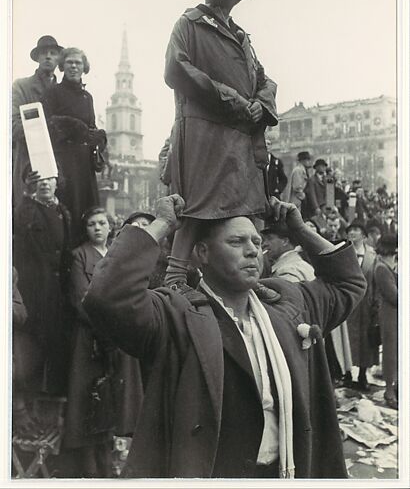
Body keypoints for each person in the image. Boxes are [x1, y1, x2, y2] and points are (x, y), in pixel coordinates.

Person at [83, 194, 366, 479]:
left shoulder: (287, 300)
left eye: (256, 242)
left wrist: (300, 231)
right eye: (236, 242)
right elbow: (107, 297)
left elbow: (348, 283)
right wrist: (163, 224)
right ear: (202, 253)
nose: (252, 251)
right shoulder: (177, 313)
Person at [163, 0, 278, 288]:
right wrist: (233, 100)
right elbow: (177, 70)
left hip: (238, 141)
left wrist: (262, 102)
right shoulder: (190, 24)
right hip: (203, 136)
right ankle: (175, 277)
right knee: (197, 209)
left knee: (240, 211)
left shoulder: (244, 39)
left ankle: (247, 280)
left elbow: (265, 79)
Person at [64, 207, 142, 477]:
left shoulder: (117, 257)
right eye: (91, 224)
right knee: (90, 400)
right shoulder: (79, 257)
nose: (97, 228)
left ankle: (115, 466)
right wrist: (109, 329)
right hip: (91, 340)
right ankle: (90, 470)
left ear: (111, 227)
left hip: (119, 338)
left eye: (102, 223)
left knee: (118, 400)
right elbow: (81, 300)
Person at [13, 172, 73, 396]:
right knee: (34, 346)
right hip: (35, 290)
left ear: (58, 182)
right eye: (39, 180)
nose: (45, 183)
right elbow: (19, 227)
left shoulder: (63, 212)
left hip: (58, 291)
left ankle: (51, 408)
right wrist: (28, 197)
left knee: (56, 346)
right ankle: (31, 405)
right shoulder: (27, 210)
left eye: (49, 178)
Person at [42, 47, 107, 245]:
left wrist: (99, 138)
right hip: (64, 160)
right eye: (69, 62)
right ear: (62, 66)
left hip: (84, 163)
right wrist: (73, 126)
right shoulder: (53, 92)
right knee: (68, 205)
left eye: (78, 63)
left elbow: (91, 126)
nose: (73, 66)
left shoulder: (88, 98)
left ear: (84, 67)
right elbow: (47, 124)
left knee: (87, 208)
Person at [12, 35, 64, 209]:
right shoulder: (21, 87)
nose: (48, 56)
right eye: (43, 53)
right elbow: (13, 125)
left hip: (60, 166)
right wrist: (46, 128)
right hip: (30, 164)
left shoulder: (64, 90)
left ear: (59, 59)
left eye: (53, 53)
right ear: (37, 58)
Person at [345, 220, 378, 391]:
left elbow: (375, 280)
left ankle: (363, 374)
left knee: (365, 341)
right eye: (350, 230)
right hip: (347, 302)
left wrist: (375, 304)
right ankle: (347, 373)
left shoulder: (373, 256)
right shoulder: (343, 253)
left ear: (364, 236)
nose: (352, 233)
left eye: (356, 230)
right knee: (347, 339)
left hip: (366, 303)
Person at [373, 234, 398, 409]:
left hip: (396, 315)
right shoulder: (381, 268)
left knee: (398, 352)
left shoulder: (390, 265)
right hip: (389, 315)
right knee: (390, 353)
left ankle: (395, 387)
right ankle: (389, 391)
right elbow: (394, 296)